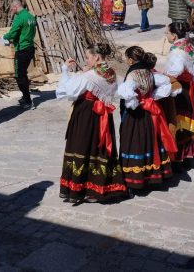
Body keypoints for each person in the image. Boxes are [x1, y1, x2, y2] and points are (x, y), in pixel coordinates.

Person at [56, 43, 127, 203]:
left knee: (81, 146)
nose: (86, 60)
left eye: (87, 57)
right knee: (97, 148)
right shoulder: (111, 73)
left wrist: (66, 71)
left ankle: (78, 189)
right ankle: (96, 189)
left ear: (96, 57)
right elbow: (118, 90)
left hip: (86, 115)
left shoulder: (89, 76)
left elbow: (69, 92)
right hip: (102, 116)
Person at [117, 46, 175, 190]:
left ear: (131, 60)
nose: (126, 61)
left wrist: (136, 103)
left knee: (134, 142)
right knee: (149, 140)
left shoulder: (132, 74)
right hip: (149, 113)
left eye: (127, 58)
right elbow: (165, 83)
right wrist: (151, 97)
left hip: (135, 114)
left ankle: (134, 180)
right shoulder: (149, 71)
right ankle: (151, 175)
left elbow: (128, 96)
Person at [164, 21, 194, 168]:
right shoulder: (191, 48)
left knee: (177, 121)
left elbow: (174, 72)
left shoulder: (177, 51)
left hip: (179, 89)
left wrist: (165, 79)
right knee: (187, 121)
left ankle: (178, 157)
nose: (166, 35)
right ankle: (187, 155)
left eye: (167, 33)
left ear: (174, 35)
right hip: (189, 87)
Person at [2, 0, 38, 109]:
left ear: (15, 6)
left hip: (22, 50)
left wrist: (5, 37)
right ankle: (25, 96)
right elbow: (29, 32)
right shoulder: (31, 17)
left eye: (12, 9)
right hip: (30, 48)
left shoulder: (19, 18)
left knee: (19, 76)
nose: (11, 11)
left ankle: (28, 101)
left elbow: (13, 32)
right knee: (23, 74)